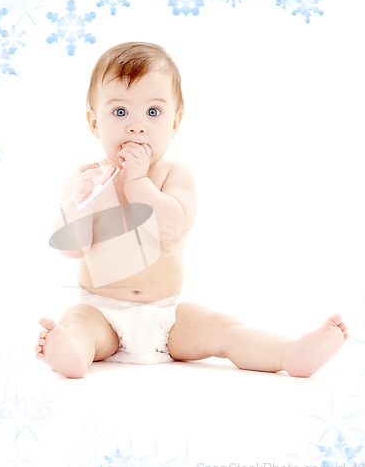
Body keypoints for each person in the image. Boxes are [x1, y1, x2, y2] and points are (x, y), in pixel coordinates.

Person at [35, 42, 348, 379]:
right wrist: (78, 206)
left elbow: (175, 227)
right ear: (94, 122)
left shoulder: (173, 176)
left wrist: (139, 182)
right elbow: (70, 249)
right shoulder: (86, 179)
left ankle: (288, 354)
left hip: (167, 317)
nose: (137, 126)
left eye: (153, 113)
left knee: (222, 328)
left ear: (175, 122)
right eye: (120, 112)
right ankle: (73, 355)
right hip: (102, 312)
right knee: (77, 324)